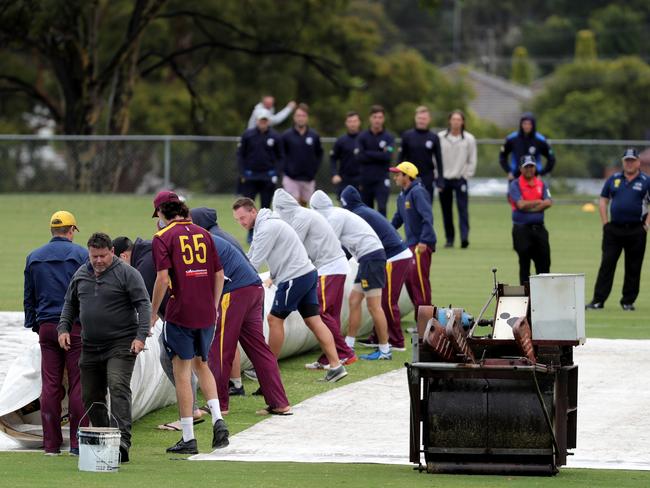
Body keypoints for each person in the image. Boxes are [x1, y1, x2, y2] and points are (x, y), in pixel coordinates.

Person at [57, 232, 151, 464]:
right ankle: (103, 436)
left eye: (102, 256)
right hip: (90, 345)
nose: (98, 261)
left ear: (111, 252)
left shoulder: (127, 273)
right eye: (93, 256)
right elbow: (70, 303)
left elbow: (143, 305)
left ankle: (122, 442)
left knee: (117, 385)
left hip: (121, 343)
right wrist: (63, 329)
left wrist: (141, 337)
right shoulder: (81, 274)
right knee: (90, 394)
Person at [232, 197, 348, 382]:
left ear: (253, 211)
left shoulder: (266, 228)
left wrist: (231, 278)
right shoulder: (268, 224)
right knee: (314, 321)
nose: (241, 223)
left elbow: (252, 263)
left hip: (294, 277)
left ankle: (266, 368)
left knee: (274, 320)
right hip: (308, 273)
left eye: (243, 218)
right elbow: (250, 256)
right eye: (237, 220)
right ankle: (336, 366)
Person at [190, 207, 291, 415]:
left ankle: (219, 404)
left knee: (218, 349)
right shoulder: (220, 235)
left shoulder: (203, 240)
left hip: (235, 291)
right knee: (259, 349)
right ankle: (279, 402)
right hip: (254, 288)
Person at [150, 191, 229, 454]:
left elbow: (162, 279)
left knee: (182, 373)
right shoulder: (204, 234)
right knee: (202, 365)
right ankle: (218, 420)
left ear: (162, 213)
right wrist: (215, 305)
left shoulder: (162, 237)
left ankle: (188, 437)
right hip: (206, 311)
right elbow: (219, 274)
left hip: (180, 312)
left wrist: (152, 314)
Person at [112, 236, 205, 430]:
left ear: (123, 255)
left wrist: (142, 330)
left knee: (175, 363)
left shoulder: (143, 267)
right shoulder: (147, 256)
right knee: (179, 361)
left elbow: (141, 302)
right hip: (189, 310)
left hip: (178, 317)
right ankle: (194, 408)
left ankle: (190, 413)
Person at [23, 210, 87, 456]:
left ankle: (50, 445)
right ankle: (77, 444)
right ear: (71, 231)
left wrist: (36, 325)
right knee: (78, 384)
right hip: (75, 326)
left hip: (47, 328)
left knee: (50, 385)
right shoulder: (81, 254)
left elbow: (29, 297)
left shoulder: (33, 257)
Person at [272, 189, 356, 369]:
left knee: (321, 312)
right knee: (331, 314)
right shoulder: (304, 214)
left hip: (329, 267)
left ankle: (345, 353)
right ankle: (329, 357)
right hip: (335, 265)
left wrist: (276, 274)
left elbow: (294, 245)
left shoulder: (302, 217)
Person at [309, 190, 392, 361]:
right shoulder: (337, 213)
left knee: (374, 306)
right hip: (366, 258)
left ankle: (385, 350)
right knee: (354, 300)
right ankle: (349, 343)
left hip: (371, 258)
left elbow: (329, 244)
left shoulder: (333, 218)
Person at [340, 186, 413, 351]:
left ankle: (395, 341)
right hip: (391, 256)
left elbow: (354, 244)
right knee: (369, 300)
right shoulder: (363, 211)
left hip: (394, 257)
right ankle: (378, 337)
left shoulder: (358, 215)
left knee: (386, 301)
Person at [586, 149, 650, 311]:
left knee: (633, 267)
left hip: (637, 229)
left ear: (638, 162)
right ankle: (598, 300)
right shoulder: (613, 179)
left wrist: (646, 225)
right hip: (614, 230)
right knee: (607, 264)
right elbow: (603, 200)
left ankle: (628, 301)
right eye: (626, 160)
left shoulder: (645, 181)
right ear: (623, 162)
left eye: (632, 160)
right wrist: (605, 223)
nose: (629, 163)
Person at [390, 162, 436, 316]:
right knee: (410, 281)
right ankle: (421, 320)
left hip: (421, 244)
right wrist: (384, 231)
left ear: (407, 176)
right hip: (410, 245)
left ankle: (426, 321)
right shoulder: (402, 196)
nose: (395, 177)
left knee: (420, 282)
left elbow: (427, 217)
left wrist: (424, 241)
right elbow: (397, 219)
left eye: (398, 174)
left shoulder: (418, 192)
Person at [237, 110, 284, 242]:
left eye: (265, 120)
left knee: (265, 207)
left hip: (267, 177)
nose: (263, 123)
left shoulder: (275, 136)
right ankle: (250, 234)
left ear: (268, 121)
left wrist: (276, 173)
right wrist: (243, 173)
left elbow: (281, 157)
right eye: (260, 120)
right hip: (251, 176)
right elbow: (240, 155)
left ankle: (263, 233)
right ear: (257, 120)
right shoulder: (248, 135)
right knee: (248, 207)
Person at [507, 155, 553, 285]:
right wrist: (538, 203)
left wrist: (529, 207)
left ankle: (543, 297)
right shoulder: (515, 184)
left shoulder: (541, 183)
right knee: (524, 264)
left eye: (531, 166)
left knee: (544, 264)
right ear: (521, 169)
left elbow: (549, 202)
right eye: (526, 167)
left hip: (539, 229)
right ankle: (527, 299)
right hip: (521, 230)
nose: (529, 169)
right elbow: (520, 205)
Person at [438, 110, 477, 249]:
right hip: (444, 179)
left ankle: (464, 238)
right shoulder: (441, 137)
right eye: (453, 119)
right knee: (446, 210)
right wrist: (438, 176)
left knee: (463, 210)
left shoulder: (469, 139)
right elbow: (435, 158)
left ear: (463, 122)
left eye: (458, 119)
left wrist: (466, 175)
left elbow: (472, 160)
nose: (456, 122)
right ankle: (449, 239)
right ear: (449, 121)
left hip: (460, 179)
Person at [399, 105, 444, 203]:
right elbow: (401, 158)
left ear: (429, 120)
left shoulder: (434, 137)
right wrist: (399, 175)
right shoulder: (407, 135)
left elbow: (439, 160)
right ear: (415, 119)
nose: (421, 121)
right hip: (409, 177)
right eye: (419, 118)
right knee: (409, 207)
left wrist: (440, 180)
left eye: (424, 118)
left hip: (427, 177)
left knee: (426, 206)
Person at [356, 105, 395, 216]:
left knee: (382, 208)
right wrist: (380, 153)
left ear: (383, 119)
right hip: (365, 180)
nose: (377, 120)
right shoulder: (362, 136)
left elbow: (387, 156)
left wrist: (367, 152)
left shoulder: (389, 137)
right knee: (367, 212)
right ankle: (369, 234)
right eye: (375, 117)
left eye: (380, 117)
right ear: (370, 118)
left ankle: (382, 233)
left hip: (382, 179)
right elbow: (360, 156)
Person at [281, 103, 323, 205]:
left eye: (303, 116)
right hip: (291, 178)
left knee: (304, 206)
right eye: (298, 116)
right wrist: (286, 170)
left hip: (308, 178)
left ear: (307, 117)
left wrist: (313, 170)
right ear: (294, 117)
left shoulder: (314, 136)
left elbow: (319, 154)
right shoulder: (286, 135)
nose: (301, 118)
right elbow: (281, 155)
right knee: (293, 204)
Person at [499, 112, 555, 181]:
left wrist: (541, 173)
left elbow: (551, 158)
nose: (527, 126)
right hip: (515, 177)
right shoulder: (512, 139)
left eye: (529, 124)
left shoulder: (540, 140)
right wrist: (509, 171)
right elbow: (502, 156)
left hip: (534, 178)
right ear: (521, 124)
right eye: (525, 124)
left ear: (533, 125)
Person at [330, 111, 362, 198]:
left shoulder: (364, 139)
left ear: (359, 122)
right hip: (345, 179)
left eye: (355, 121)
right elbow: (333, 158)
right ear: (346, 123)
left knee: (362, 209)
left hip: (361, 180)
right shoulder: (341, 141)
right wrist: (334, 174)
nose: (352, 124)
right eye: (350, 121)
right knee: (344, 209)